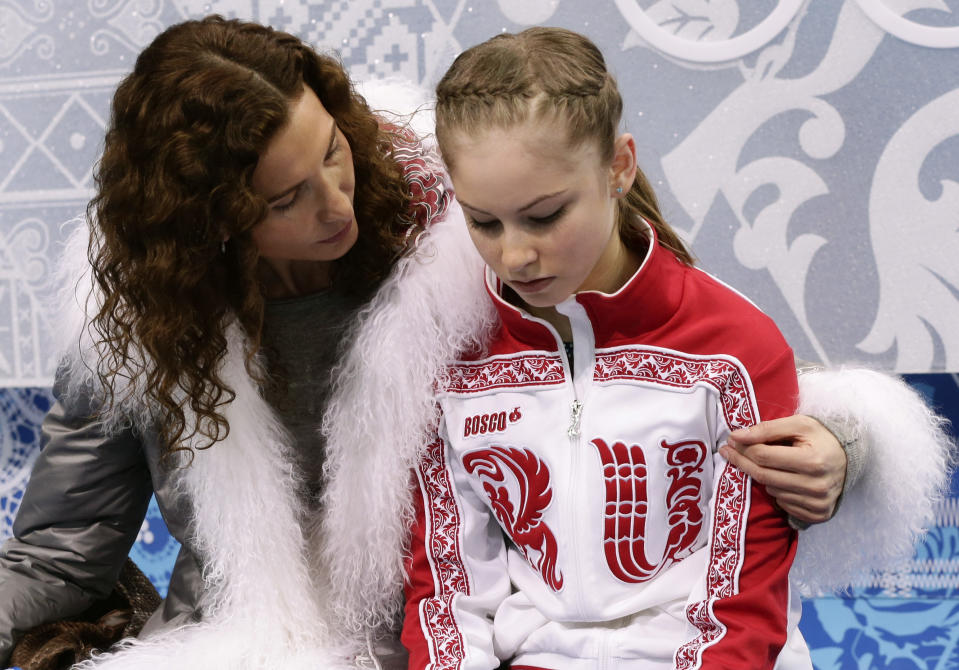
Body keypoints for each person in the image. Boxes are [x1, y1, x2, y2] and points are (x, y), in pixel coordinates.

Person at [0, 15, 950, 670]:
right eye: (284, 200)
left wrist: (847, 440)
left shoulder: (463, 218)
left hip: (466, 631)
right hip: (259, 640)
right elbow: (60, 554)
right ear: (207, 223)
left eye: (331, 150)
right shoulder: (144, 321)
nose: (336, 204)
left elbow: (660, 352)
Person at [315, 27, 955, 669]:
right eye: (484, 222)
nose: (514, 254)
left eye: (544, 215)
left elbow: (741, 602)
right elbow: (450, 592)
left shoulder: (732, 348)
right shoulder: (447, 356)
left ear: (618, 167)